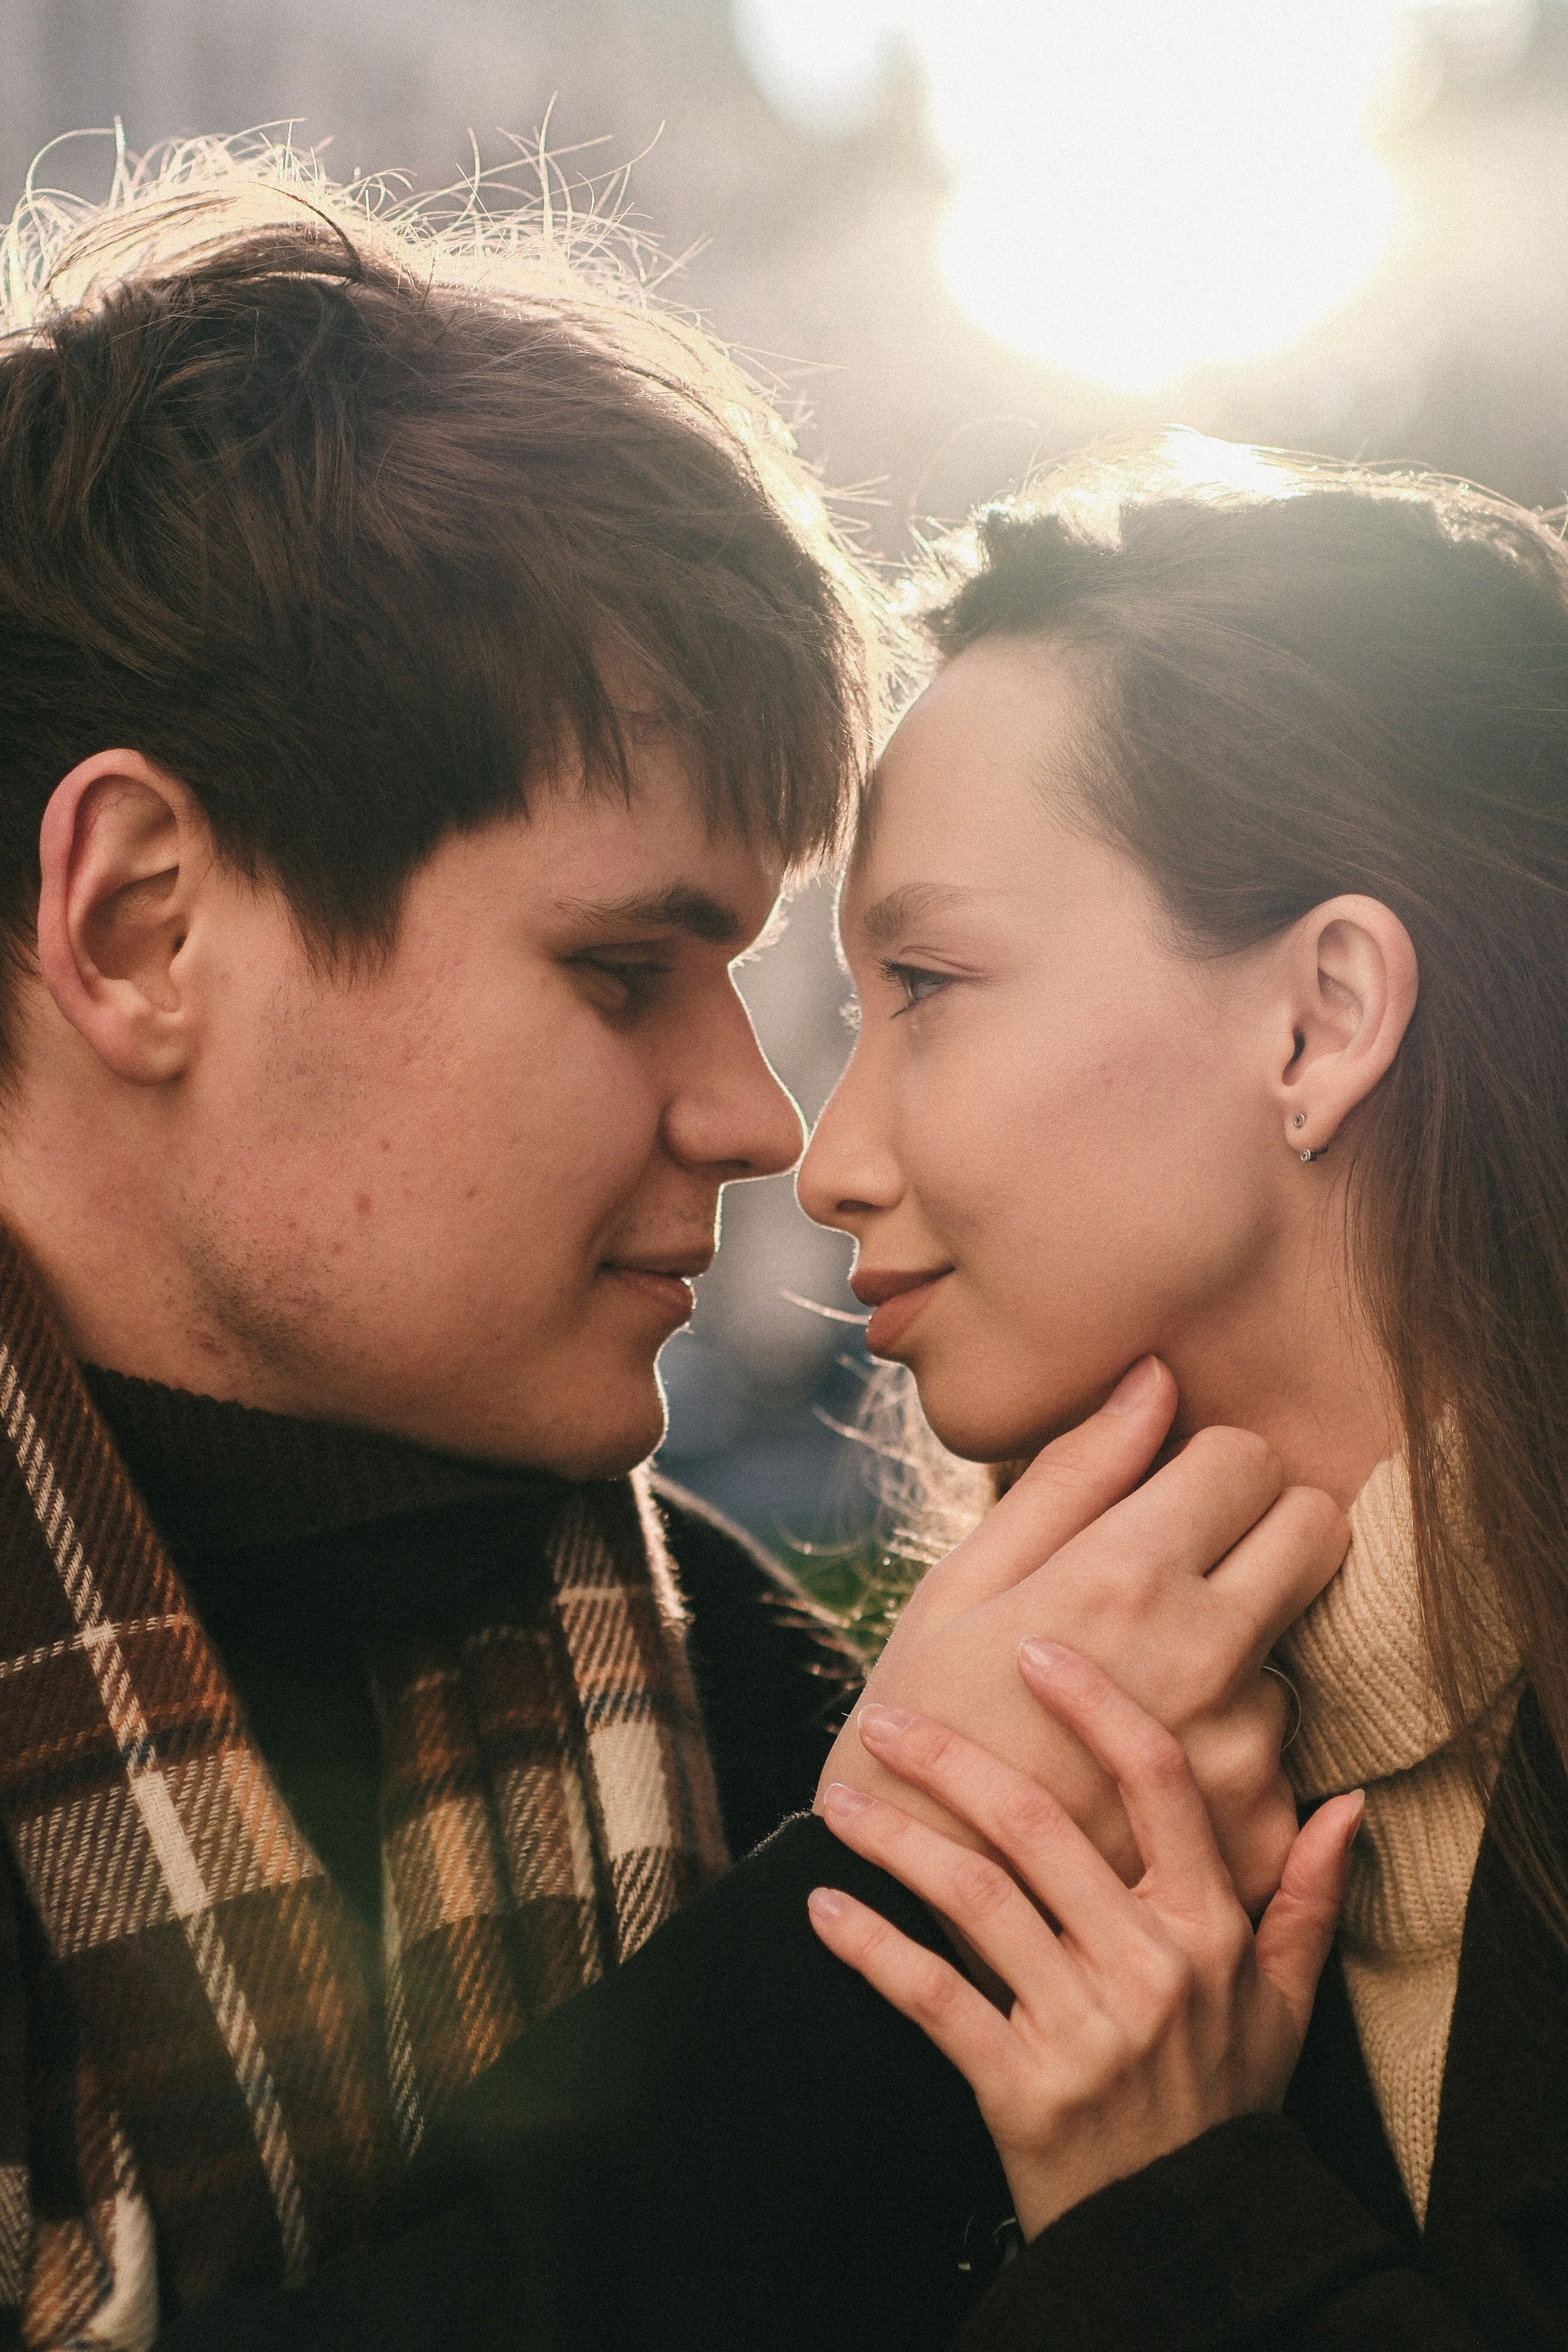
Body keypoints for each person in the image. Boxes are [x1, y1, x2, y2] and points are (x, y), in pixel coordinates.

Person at [0, 151, 1337, 2352]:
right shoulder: (848, 1791)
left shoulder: (722, 1670)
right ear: (144, 924)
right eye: (623, 968)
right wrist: (888, 1923)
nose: (759, 1119)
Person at [798, 433, 1568, 2347]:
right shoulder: (1021, 1775)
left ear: (1318, 1018)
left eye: (926, 984)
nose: (827, 1160)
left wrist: (1180, 2218)